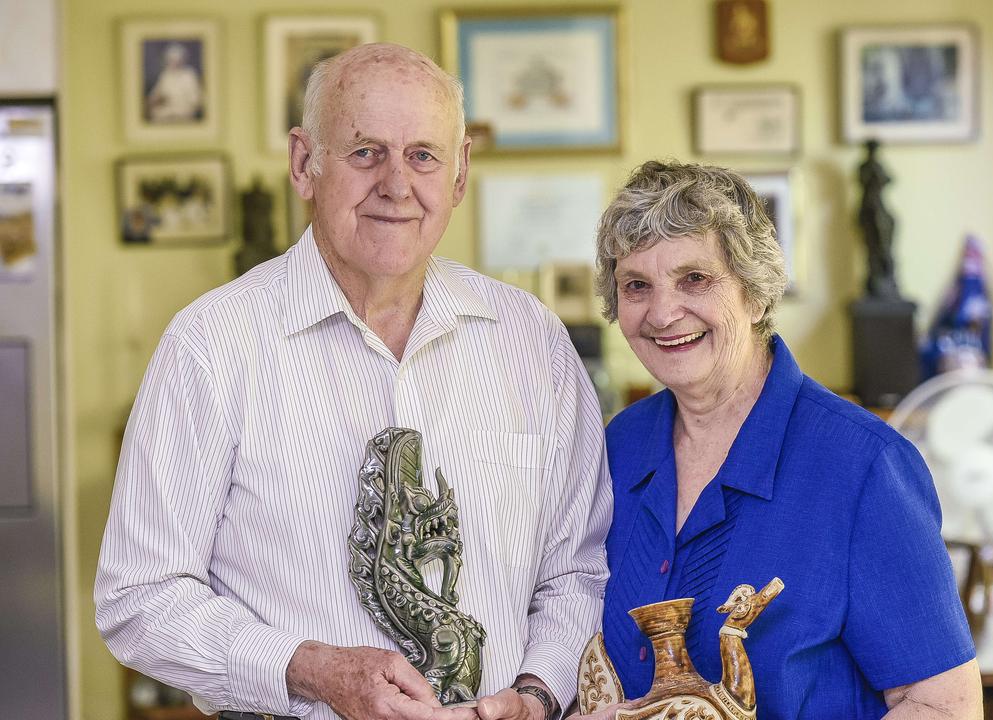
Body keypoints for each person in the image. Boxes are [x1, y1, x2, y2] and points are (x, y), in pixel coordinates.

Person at [96, 43, 610, 720]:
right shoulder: (209, 345)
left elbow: (578, 570)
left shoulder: (533, 342)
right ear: (304, 163)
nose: (397, 184)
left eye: (424, 155)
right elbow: (140, 596)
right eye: (366, 151)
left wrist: (537, 695)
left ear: (458, 176)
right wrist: (311, 670)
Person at [580, 161, 981, 718]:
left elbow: (943, 707)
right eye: (637, 286)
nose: (664, 313)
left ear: (754, 292)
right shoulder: (617, 446)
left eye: (694, 278)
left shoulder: (863, 466)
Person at [147, 42, 204, 123]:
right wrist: (154, 99)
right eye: (171, 60)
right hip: (168, 108)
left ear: (181, 60)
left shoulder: (189, 75)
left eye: (176, 60)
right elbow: (156, 93)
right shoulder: (166, 74)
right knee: (156, 114)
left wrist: (188, 103)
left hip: (185, 109)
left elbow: (196, 99)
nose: (173, 63)